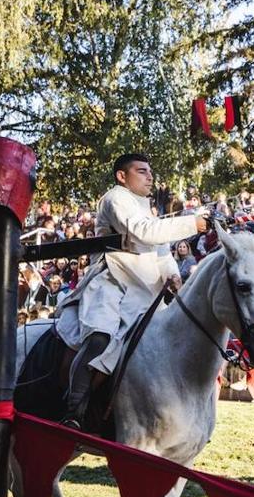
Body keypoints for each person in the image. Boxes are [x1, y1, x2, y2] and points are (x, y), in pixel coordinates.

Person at [55, 152, 206, 428]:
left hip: (146, 290)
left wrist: (172, 274)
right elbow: (142, 232)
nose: (150, 176)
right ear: (121, 176)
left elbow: (159, 248)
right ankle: (73, 412)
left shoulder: (145, 208)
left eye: (150, 171)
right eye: (142, 171)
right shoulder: (115, 198)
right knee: (100, 339)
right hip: (111, 283)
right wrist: (191, 223)